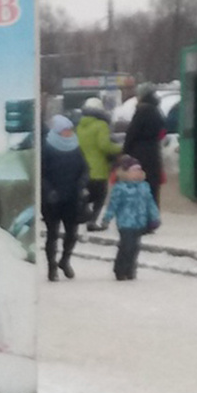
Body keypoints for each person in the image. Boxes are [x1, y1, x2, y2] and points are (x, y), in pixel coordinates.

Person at [39, 114, 88, 281]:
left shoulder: (75, 147)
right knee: (52, 234)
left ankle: (65, 260)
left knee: (72, 233)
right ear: (58, 131)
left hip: (72, 198)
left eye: (70, 130)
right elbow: (41, 173)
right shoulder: (46, 148)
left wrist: (82, 184)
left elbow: (84, 169)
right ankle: (51, 266)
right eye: (65, 130)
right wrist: (48, 190)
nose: (69, 133)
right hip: (52, 199)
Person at [101, 154, 161, 281]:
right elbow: (113, 205)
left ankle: (130, 269)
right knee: (126, 246)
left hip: (140, 222)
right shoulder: (120, 188)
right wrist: (107, 218)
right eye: (134, 170)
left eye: (139, 170)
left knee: (135, 247)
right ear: (125, 173)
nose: (137, 173)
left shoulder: (144, 187)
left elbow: (150, 203)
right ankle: (120, 269)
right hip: (125, 222)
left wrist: (155, 217)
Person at [76, 96, 120, 230]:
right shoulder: (101, 125)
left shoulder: (79, 126)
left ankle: (80, 216)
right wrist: (120, 148)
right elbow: (104, 146)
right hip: (98, 169)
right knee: (100, 197)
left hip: (82, 170)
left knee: (85, 195)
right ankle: (92, 221)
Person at [122, 83, 166, 209]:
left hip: (139, 154)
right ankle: (152, 217)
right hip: (153, 153)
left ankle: (140, 218)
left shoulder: (142, 110)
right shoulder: (156, 110)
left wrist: (125, 152)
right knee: (152, 186)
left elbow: (132, 133)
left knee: (139, 184)